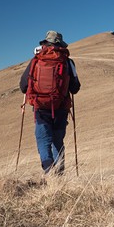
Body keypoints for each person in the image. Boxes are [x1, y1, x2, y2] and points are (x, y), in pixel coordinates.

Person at [20, 31, 80, 174]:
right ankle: (58, 176)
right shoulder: (67, 61)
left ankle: (48, 171)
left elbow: (23, 86)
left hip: (41, 108)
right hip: (61, 108)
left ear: (45, 42)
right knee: (58, 141)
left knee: (43, 141)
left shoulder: (36, 60)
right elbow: (75, 88)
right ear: (60, 44)